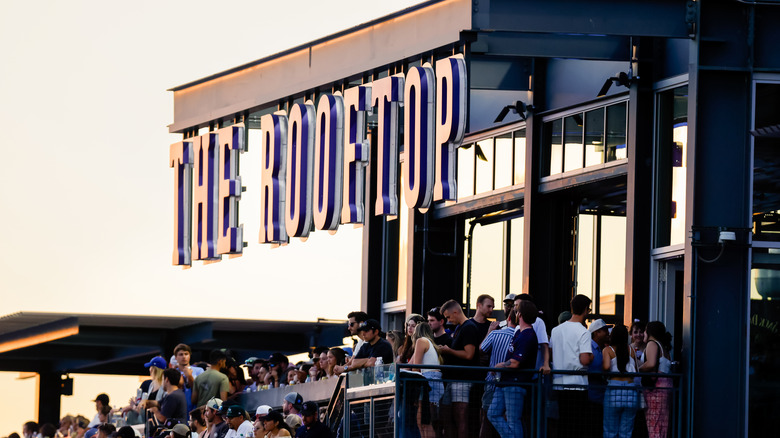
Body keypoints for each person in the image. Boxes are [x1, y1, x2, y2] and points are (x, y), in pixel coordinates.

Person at [488, 300, 539, 438]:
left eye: (517, 310)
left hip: (516, 383)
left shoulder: (528, 335)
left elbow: (516, 362)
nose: (515, 312)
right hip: (506, 382)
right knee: (492, 413)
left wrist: (499, 366)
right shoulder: (519, 333)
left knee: (513, 420)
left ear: (520, 314)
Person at [549, 294, 593, 438]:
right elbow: (585, 359)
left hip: (559, 382)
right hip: (577, 384)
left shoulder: (556, 330)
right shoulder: (583, 332)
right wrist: (592, 356)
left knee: (563, 425)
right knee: (577, 426)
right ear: (586, 309)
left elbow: (550, 353)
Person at [438, 300, 480, 438]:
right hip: (455, 378)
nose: (448, 320)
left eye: (448, 317)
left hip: (463, 379)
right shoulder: (460, 328)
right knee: (451, 417)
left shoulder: (468, 327)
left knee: (461, 417)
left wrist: (449, 351)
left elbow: (469, 354)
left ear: (455, 312)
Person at [479, 308, 517, 438]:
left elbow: (482, 348)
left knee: (486, 418)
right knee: (509, 420)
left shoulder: (496, 334)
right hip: (512, 384)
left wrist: (490, 331)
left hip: (492, 382)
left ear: (509, 319)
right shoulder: (520, 336)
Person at [602, 325, 639, 438]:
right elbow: (636, 369)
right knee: (626, 432)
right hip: (631, 390)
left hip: (614, 390)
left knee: (610, 431)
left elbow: (607, 366)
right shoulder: (631, 350)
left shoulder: (608, 350)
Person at [408, 322, 444, 438]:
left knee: (425, 423)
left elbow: (415, 367)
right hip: (433, 380)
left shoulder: (421, 341)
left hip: (427, 381)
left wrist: (413, 389)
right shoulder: (430, 343)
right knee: (424, 422)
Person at [638, 321, 673, 438]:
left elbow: (651, 363)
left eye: (644, 330)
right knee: (662, 422)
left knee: (654, 422)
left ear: (649, 331)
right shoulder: (664, 347)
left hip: (655, 389)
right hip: (665, 387)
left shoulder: (652, 344)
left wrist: (637, 369)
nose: (643, 333)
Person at [587, 318, 613, 437]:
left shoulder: (600, 349)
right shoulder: (590, 349)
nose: (607, 332)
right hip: (593, 398)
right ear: (596, 332)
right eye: (604, 330)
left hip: (599, 397)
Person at [514, 294, 552, 375]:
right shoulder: (517, 328)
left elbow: (544, 344)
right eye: (514, 305)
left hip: (534, 372)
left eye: (518, 305)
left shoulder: (538, 321)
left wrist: (546, 365)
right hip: (519, 374)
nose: (515, 308)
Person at [173, 344, 205, 412]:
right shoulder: (173, 372)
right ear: (176, 357)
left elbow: (201, 391)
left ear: (190, 355)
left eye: (186, 354)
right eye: (181, 354)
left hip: (195, 409)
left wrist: (189, 376)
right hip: (178, 410)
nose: (184, 357)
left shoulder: (199, 370)